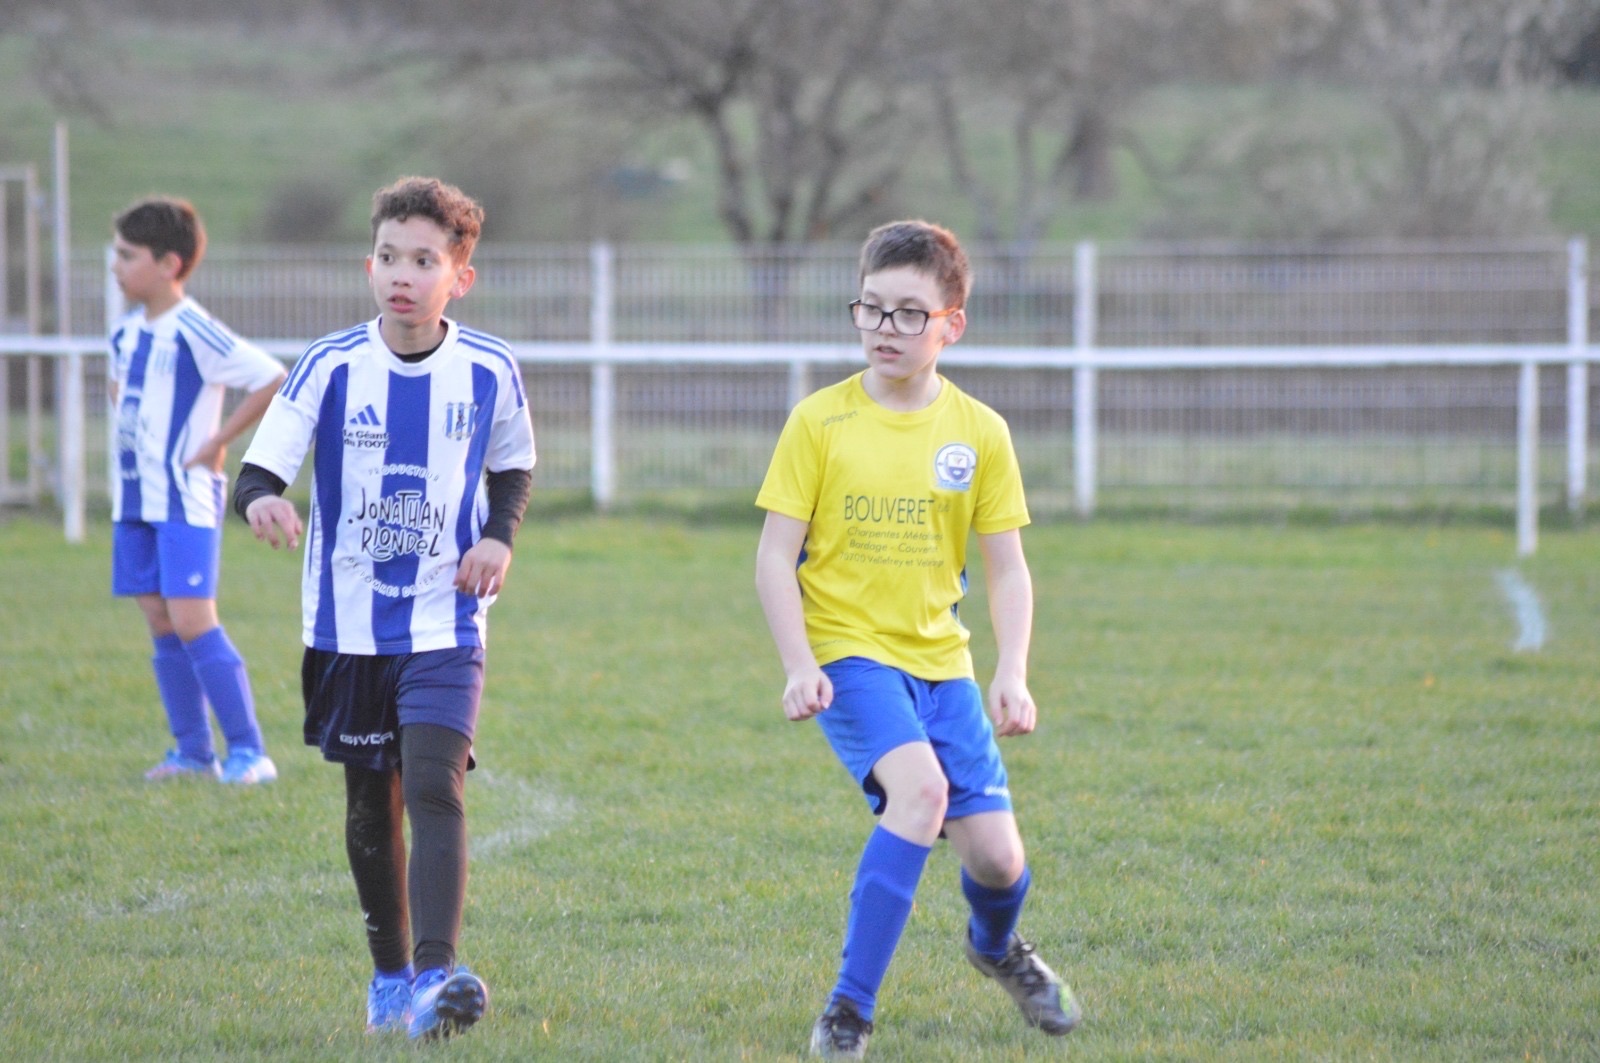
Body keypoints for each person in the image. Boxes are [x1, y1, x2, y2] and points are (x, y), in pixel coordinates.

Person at [754, 220, 1082, 1058]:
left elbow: (1006, 568)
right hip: (850, 653)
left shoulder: (979, 432)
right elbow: (773, 555)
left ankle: (996, 945)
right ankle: (847, 1010)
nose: (885, 329)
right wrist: (799, 664)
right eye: (872, 309)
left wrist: (1012, 669)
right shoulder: (819, 422)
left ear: (951, 324)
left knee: (1001, 862)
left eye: (909, 313)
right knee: (921, 792)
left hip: (944, 663)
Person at [231, 176, 535, 1041]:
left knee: (436, 785)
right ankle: (392, 977)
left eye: (424, 260)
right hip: (346, 628)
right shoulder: (330, 365)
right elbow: (260, 471)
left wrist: (499, 537)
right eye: (389, 257)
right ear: (371, 265)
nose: (403, 274)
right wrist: (261, 502)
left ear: (459, 276)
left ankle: (439, 977)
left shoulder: (488, 368)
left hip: (447, 623)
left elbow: (513, 465)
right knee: (373, 804)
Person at [109, 196, 287, 786]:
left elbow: (270, 377)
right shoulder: (127, 333)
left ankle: (249, 751)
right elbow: (122, 397)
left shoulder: (194, 328)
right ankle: (191, 752)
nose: (116, 266)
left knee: (192, 620)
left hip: (185, 496)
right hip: (135, 499)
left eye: (127, 255)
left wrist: (218, 440)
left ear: (168, 264)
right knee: (160, 619)